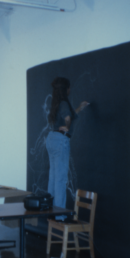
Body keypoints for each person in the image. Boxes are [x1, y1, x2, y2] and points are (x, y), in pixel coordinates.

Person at [46, 77, 89, 221]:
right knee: (60, 179)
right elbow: (68, 118)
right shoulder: (64, 102)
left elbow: (69, 114)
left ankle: (49, 211)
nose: (70, 90)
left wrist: (79, 108)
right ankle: (60, 216)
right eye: (69, 87)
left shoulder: (57, 102)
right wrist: (68, 126)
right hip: (60, 141)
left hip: (51, 139)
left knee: (53, 178)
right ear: (66, 89)